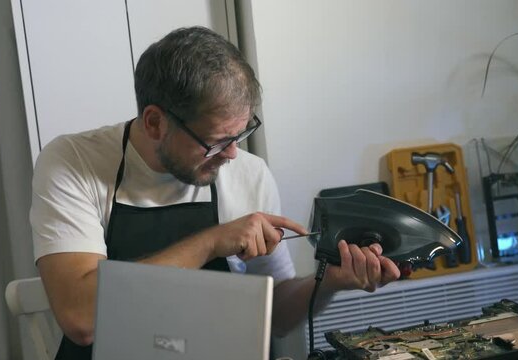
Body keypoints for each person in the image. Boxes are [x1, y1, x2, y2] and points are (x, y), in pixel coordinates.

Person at [30, 26, 400, 359]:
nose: (233, 154)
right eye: (216, 142)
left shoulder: (248, 174)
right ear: (155, 123)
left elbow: (277, 317)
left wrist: (331, 282)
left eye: (240, 135)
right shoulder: (74, 162)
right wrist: (210, 243)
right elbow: (80, 318)